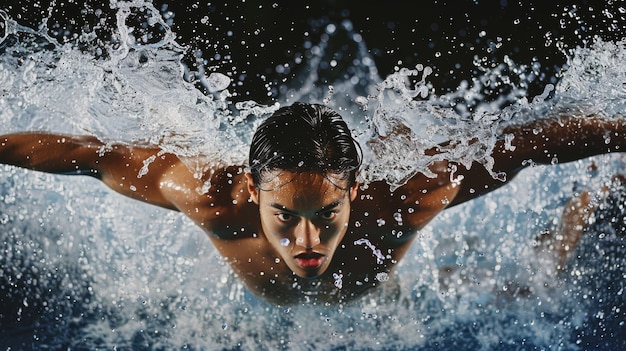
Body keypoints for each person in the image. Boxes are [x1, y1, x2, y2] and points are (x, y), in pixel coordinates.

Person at [0, 103, 624, 305]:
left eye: (327, 216)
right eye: (285, 217)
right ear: (251, 191)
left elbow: (531, 143)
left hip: (384, 302)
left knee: (536, 286)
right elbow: (87, 153)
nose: (307, 243)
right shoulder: (212, 198)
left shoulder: (405, 201)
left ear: (353, 192)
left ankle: (592, 192)